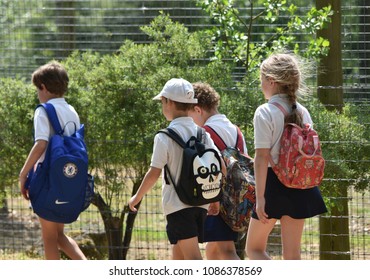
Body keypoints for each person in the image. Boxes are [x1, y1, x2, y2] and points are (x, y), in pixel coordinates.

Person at [128, 78, 223, 260]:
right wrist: (215, 198)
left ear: (168, 102)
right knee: (178, 258)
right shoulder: (203, 133)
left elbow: (154, 172)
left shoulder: (164, 137)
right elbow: (218, 165)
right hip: (201, 203)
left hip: (178, 206)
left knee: (193, 258)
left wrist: (137, 197)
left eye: (162, 102)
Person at [245, 52, 327, 260]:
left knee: (253, 249)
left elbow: (262, 157)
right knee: (292, 255)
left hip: (273, 185)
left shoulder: (265, 111)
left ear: (271, 81)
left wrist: (261, 198)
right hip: (301, 184)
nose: (260, 84)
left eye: (261, 79)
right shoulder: (303, 111)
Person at [19, 62, 87, 260]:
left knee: (49, 237)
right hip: (67, 179)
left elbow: (41, 144)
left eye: (37, 89)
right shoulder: (71, 110)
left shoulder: (43, 110)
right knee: (59, 235)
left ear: (43, 87)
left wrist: (23, 174)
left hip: (46, 179)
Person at [188, 82, 249, 260]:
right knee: (213, 250)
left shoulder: (204, 132)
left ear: (198, 110)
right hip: (237, 199)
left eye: (189, 114)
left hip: (216, 199)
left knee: (227, 251)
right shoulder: (235, 130)